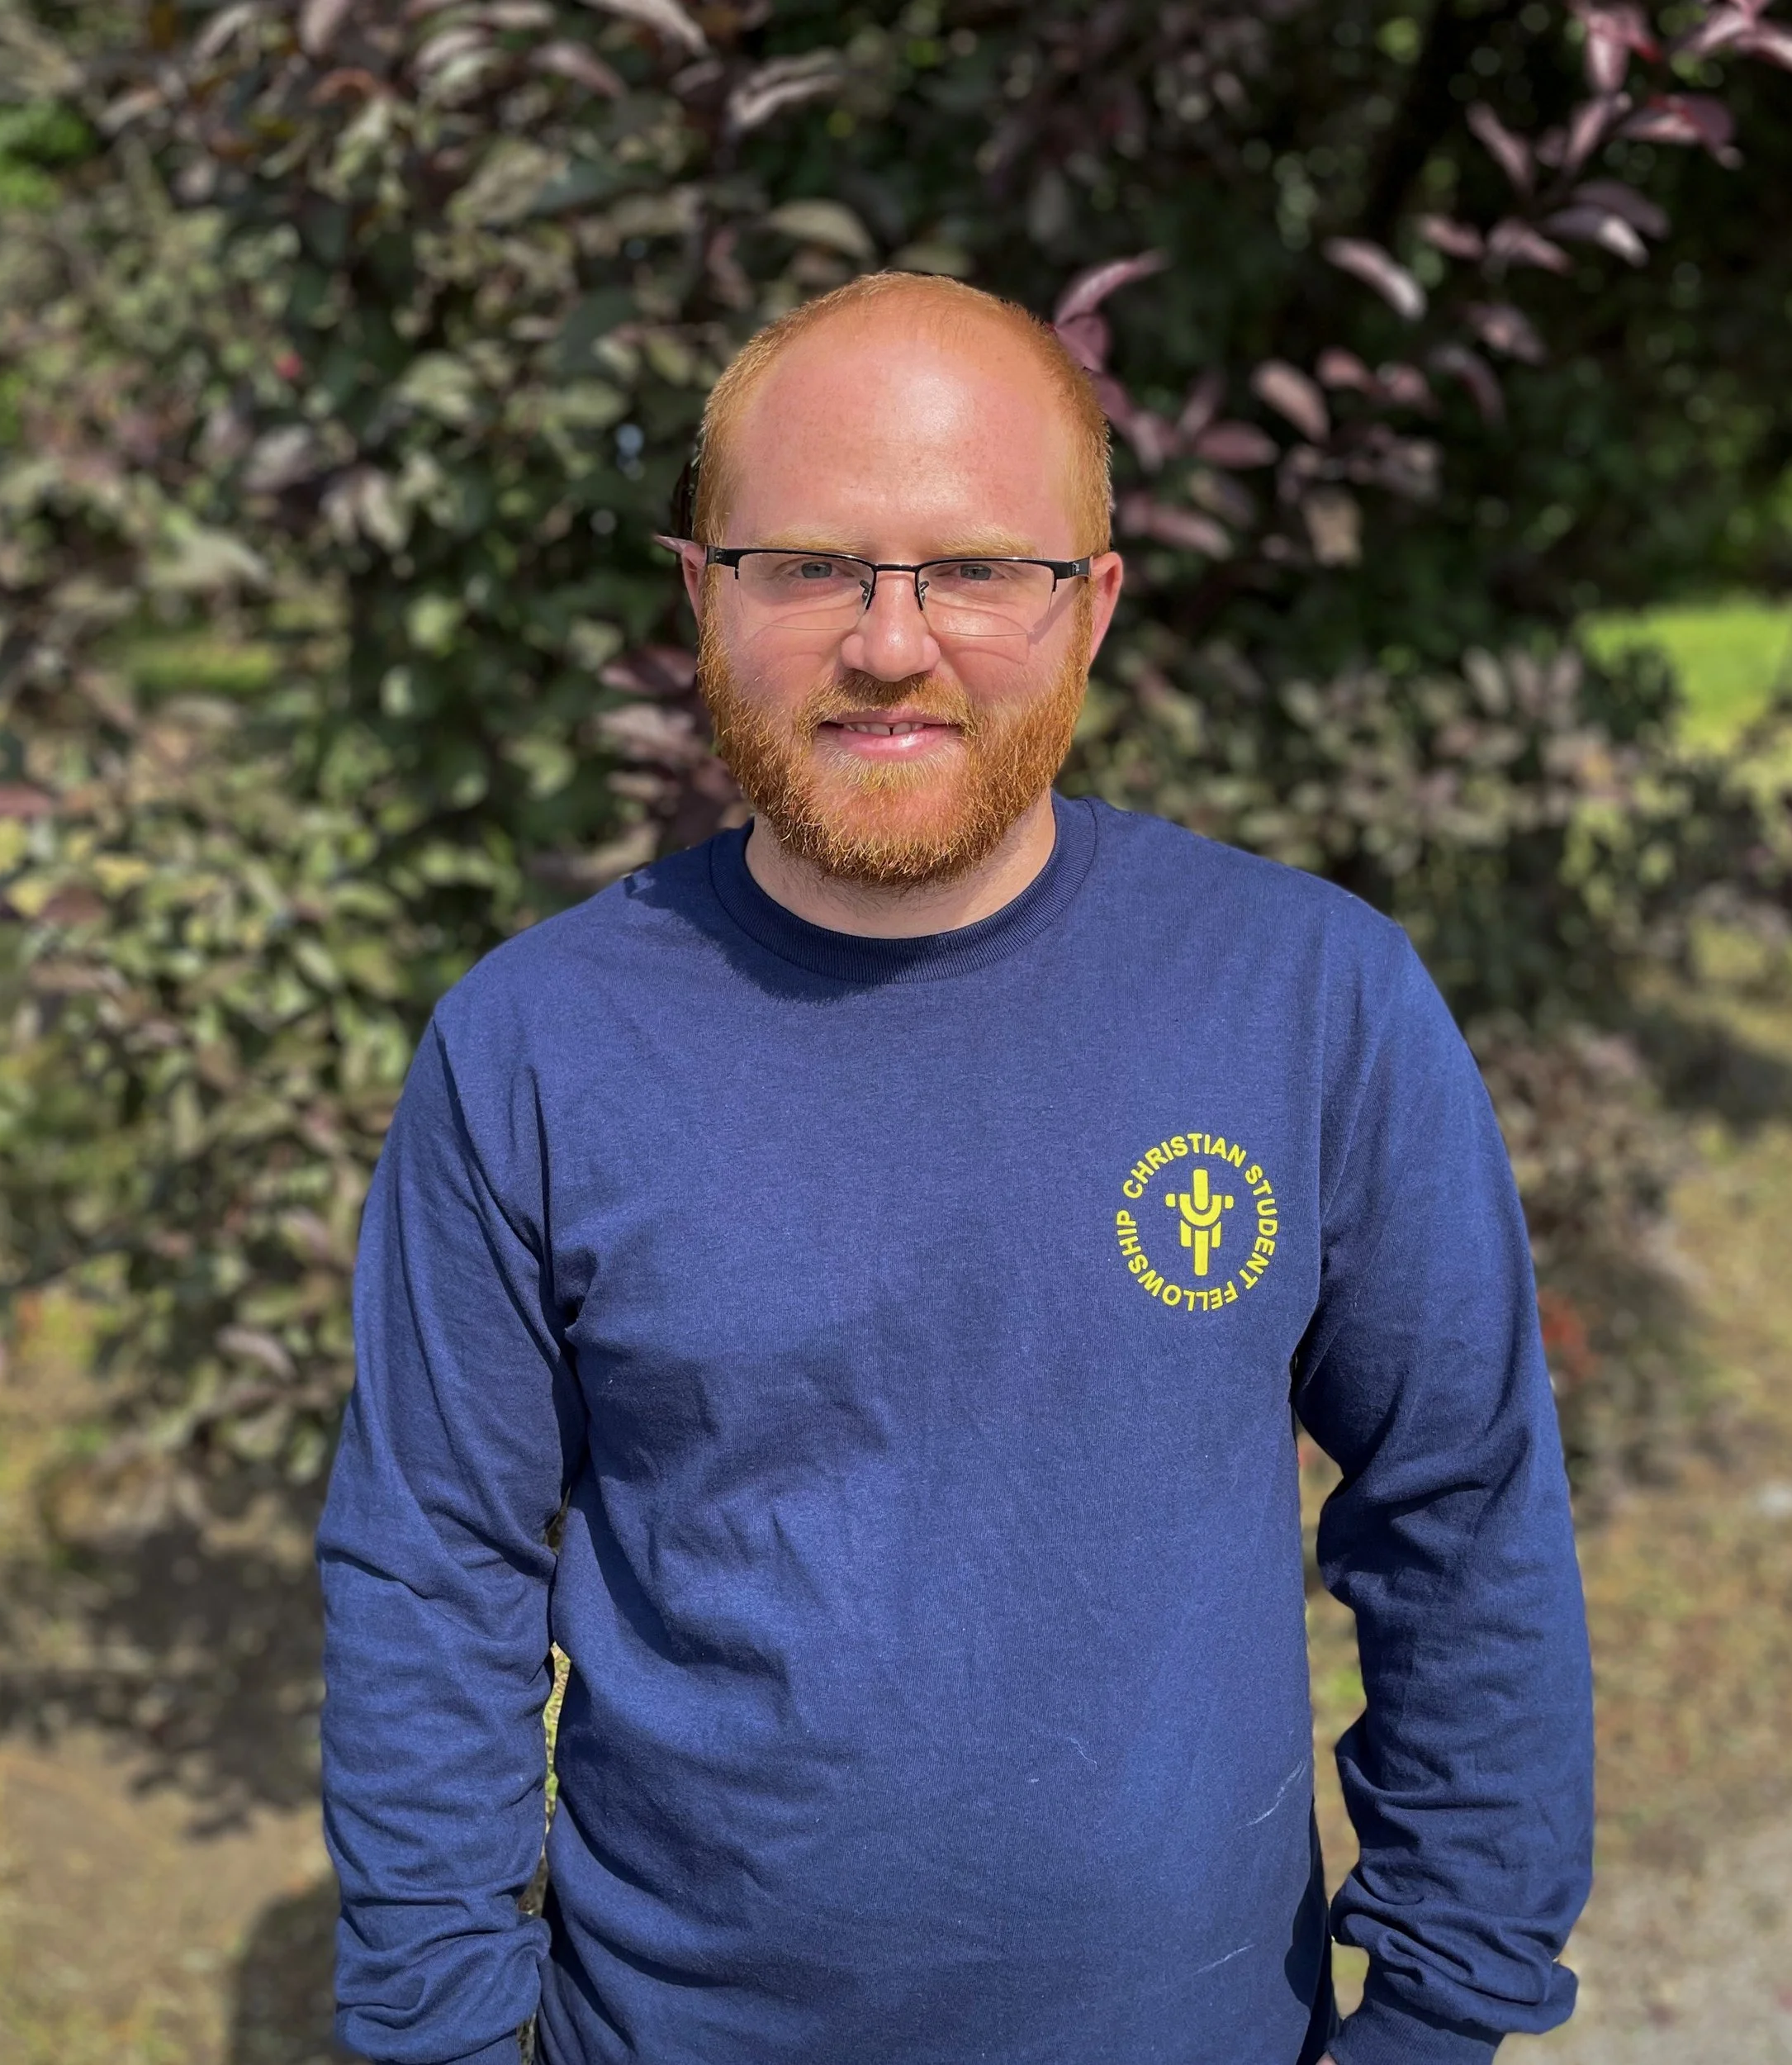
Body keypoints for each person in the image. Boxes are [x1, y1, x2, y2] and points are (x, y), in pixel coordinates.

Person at [317, 272, 1593, 2065]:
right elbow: (429, 1566)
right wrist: (442, 2034)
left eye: (979, 568)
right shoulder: (532, 1045)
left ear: (1092, 609)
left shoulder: (1309, 998)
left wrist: (1440, 2011)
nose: (890, 639)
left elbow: (1461, 1516)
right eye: (808, 563)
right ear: (700, 592)